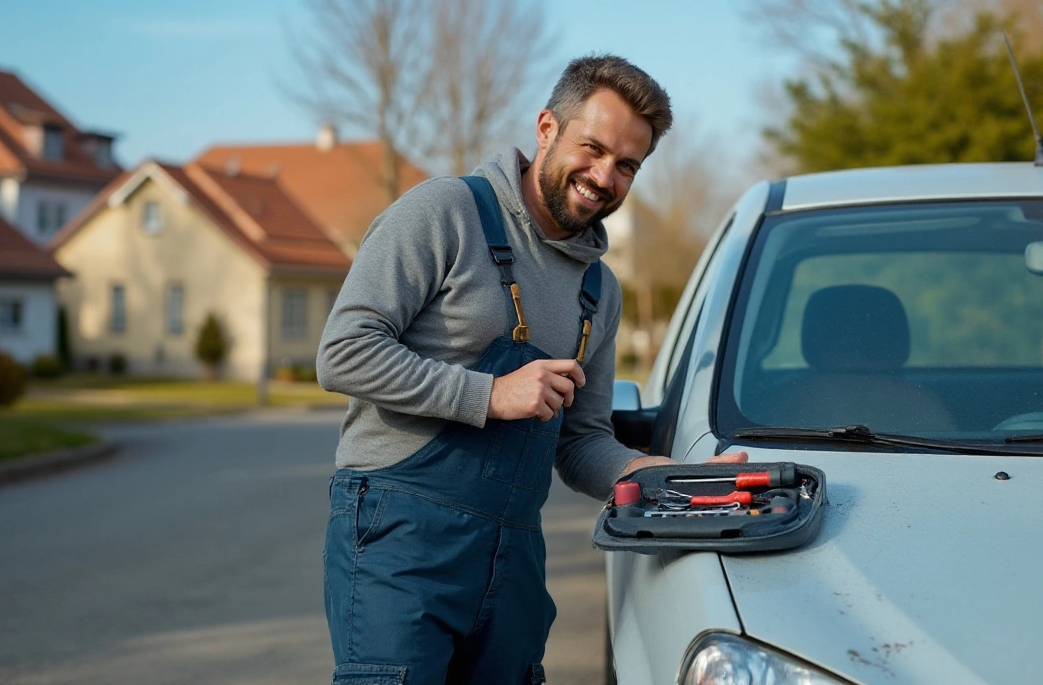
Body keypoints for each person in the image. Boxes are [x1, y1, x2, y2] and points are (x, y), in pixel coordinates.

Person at [316, 54, 747, 685]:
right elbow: (344, 350)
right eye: (592, 148)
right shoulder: (444, 212)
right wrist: (491, 394)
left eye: (627, 164)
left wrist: (664, 478)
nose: (604, 176)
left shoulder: (600, 290)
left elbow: (582, 444)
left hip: (513, 554)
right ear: (547, 127)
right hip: (401, 539)